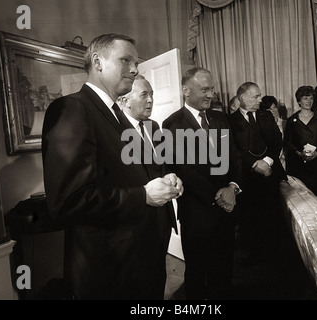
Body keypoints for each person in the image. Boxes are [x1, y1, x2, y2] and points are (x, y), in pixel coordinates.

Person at [41, 33, 183, 300]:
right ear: (98, 62)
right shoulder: (72, 109)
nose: (134, 68)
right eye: (126, 60)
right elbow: (67, 202)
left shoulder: (118, 116)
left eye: (136, 62)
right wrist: (144, 196)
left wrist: (166, 181)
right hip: (109, 269)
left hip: (142, 257)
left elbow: (135, 173)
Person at [162, 67, 242, 300]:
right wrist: (218, 195)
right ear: (186, 90)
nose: (211, 95)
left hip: (227, 208)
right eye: (205, 89)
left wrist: (233, 187)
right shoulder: (172, 124)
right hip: (197, 212)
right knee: (197, 273)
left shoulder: (220, 118)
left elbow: (234, 155)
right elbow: (182, 169)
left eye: (212, 89)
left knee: (225, 268)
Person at [118, 75, 177, 298]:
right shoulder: (114, 131)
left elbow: (161, 167)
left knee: (157, 279)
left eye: (152, 94)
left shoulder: (154, 127)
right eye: (144, 94)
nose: (151, 100)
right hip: (134, 225)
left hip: (162, 220)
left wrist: (171, 176)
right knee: (137, 286)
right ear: (125, 100)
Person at [228, 83, 287, 266]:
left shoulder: (266, 115)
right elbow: (233, 150)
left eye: (260, 96)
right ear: (242, 98)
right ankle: (254, 257)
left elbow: (277, 141)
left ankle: (274, 257)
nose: (260, 100)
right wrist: (254, 164)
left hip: (270, 175)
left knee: (273, 217)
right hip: (246, 179)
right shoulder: (229, 120)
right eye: (255, 97)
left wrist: (267, 161)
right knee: (251, 220)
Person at [284, 86, 317, 199]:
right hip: (298, 166)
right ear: (299, 101)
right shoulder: (292, 120)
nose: (309, 101)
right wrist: (299, 153)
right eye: (305, 98)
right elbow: (288, 142)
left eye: (311, 98)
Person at [260, 95, 287, 169]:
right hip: (269, 161)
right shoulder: (262, 126)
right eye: (270, 109)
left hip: (285, 161)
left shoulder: (285, 124)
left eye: (274, 107)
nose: (274, 111)